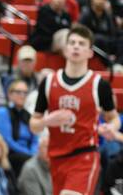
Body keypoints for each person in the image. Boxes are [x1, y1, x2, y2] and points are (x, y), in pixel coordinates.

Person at [29, 24, 121, 195]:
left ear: (90, 52)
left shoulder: (99, 84)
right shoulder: (49, 82)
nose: (76, 46)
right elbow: (34, 125)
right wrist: (48, 121)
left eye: (81, 43)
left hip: (85, 155)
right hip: (56, 157)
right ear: (65, 49)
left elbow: (113, 118)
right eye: (72, 42)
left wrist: (112, 128)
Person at [0, 79, 39, 176]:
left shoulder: (28, 115)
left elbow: (35, 139)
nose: (22, 95)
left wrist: (33, 153)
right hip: (9, 153)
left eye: (25, 93)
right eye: (18, 92)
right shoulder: (2, 112)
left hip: (28, 154)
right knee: (29, 163)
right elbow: (7, 141)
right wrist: (29, 154)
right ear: (10, 94)